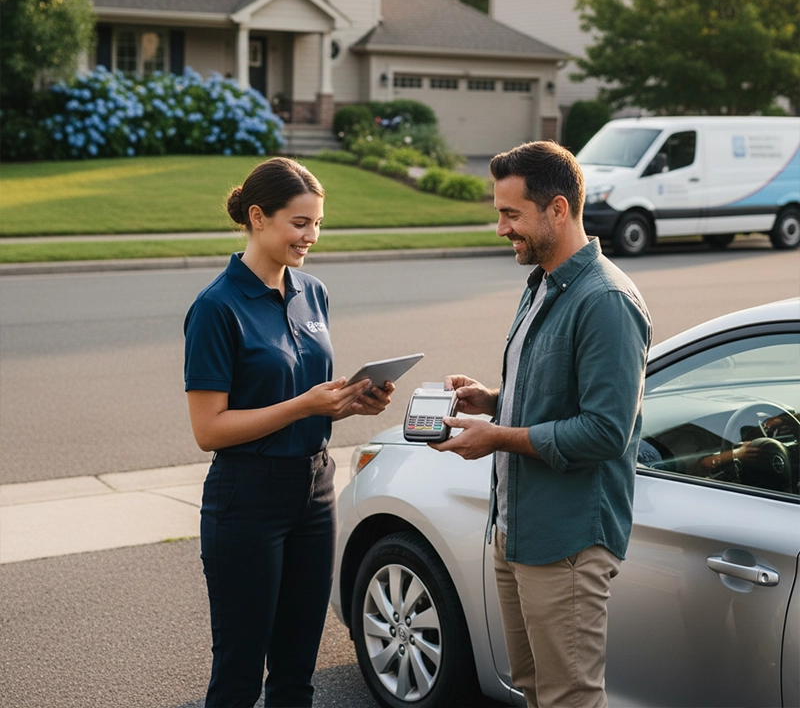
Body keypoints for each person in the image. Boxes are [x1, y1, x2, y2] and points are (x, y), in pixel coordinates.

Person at [434, 141, 652, 708]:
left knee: (567, 698)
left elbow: (605, 431)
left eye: (512, 214)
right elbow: (558, 393)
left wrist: (498, 438)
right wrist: (493, 401)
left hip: (567, 543)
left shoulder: (606, 300)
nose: (500, 228)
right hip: (518, 532)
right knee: (532, 691)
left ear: (558, 209)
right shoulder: (543, 282)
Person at [183, 157, 394, 708]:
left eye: (317, 223)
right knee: (239, 675)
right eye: (299, 223)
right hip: (247, 499)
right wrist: (304, 405)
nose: (311, 236)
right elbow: (209, 429)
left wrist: (348, 404)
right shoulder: (215, 307)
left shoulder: (313, 292)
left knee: (298, 672)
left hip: (315, 491)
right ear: (258, 217)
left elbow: (307, 400)